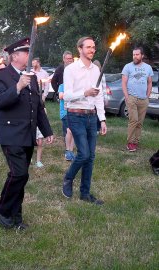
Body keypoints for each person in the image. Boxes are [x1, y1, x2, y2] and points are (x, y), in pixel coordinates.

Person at [0, 38, 54, 230]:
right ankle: (3, 210)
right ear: (15, 56)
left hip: (27, 134)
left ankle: (14, 213)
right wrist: (17, 86)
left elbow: (37, 107)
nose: (30, 55)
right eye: (27, 52)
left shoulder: (32, 77)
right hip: (10, 133)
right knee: (19, 174)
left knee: (21, 176)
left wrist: (47, 129)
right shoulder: (0, 75)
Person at [62, 36, 107, 205]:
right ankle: (68, 178)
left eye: (93, 47)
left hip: (91, 116)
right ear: (79, 49)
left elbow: (99, 96)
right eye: (88, 47)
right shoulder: (71, 69)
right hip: (75, 115)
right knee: (84, 153)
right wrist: (85, 93)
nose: (92, 50)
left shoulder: (96, 70)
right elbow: (66, 96)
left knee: (91, 157)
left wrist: (102, 119)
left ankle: (85, 193)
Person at [121, 47, 154, 152]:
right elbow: (123, 83)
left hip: (143, 99)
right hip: (132, 98)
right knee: (133, 120)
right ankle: (130, 142)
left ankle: (136, 142)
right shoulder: (128, 67)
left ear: (142, 56)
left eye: (137, 54)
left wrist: (147, 96)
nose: (135, 56)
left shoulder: (148, 67)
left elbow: (149, 82)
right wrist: (127, 97)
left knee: (140, 122)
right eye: (133, 54)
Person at [58, 84, 75, 161]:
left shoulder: (75, 85)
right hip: (65, 113)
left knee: (74, 131)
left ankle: (71, 151)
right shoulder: (62, 86)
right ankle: (67, 151)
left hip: (75, 112)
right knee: (69, 130)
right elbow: (60, 96)